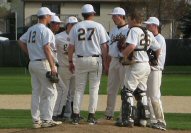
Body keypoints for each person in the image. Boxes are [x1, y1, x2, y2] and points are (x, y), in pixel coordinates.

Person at [18, 7, 62, 128]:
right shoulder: (45, 30)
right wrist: (53, 66)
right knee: (52, 92)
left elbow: (20, 41)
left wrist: (30, 53)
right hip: (43, 63)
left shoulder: (31, 29)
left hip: (32, 63)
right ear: (46, 17)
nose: (50, 18)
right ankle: (47, 120)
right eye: (50, 16)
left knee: (36, 92)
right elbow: (47, 48)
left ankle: (36, 121)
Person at [118, 10, 161, 127]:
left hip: (136, 64)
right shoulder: (147, 32)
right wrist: (155, 59)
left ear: (133, 19)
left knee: (127, 91)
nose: (128, 21)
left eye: (129, 19)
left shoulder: (133, 30)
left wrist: (122, 56)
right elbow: (158, 47)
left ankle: (128, 119)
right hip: (146, 65)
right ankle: (143, 120)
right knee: (141, 91)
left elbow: (131, 46)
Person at [68, 4, 109, 125]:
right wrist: (106, 61)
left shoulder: (76, 27)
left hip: (80, 59)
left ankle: (75, 115)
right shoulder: (99, 26)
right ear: (93, 14)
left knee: (79, 89)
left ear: (82, 14)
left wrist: (70, 61)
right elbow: (104, 46)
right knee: (94, 89)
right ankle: (91, 116)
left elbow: (71, 47)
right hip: (95, 59)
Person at [105, 7, 129, 120]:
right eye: (113, 16)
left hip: (124, 62)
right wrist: (108, 63)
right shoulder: (113, 30)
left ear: (121, 16)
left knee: (125, 89)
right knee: (111, 88)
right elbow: (110, 48)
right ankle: (109, 114)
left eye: (115, 16)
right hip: (114, 60)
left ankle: (123, 114)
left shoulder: (129, 29)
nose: (113, 18)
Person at [53, 16, 78, 121]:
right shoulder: (58, 37)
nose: (74, 26)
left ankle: (73, 114)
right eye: (72, 24)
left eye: (75, 24)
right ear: (67, 25)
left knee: (74, 92)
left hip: (77, 68)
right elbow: (52, 51)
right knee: (64, 91)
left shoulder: (79, 37)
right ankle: (60, 114)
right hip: (63, 67)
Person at [144, 17, 166, 130]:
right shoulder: (150, 37)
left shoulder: (159, 38)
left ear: (155, 26)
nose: (147, 27)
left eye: (149, 25)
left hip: (156, 70)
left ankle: (161, 121)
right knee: (148, 97)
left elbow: (155, 56)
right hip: (148, 69)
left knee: (154, 96)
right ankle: (153, 120)